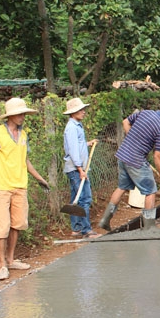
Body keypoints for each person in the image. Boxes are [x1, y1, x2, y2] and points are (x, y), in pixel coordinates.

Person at [0, 98, 50, 281]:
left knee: (17, 224)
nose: (23, 117)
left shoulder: (23, 135)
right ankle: (2, 265)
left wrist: (39, 178)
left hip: (20, 185)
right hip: (1, 186)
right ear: (10, 116)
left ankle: (11, 259)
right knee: (2, 226)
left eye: (24, 113)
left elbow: (25, 160)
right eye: (20, 113)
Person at [98, 100, 160, 231]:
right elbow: (158, 156)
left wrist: (133, 140)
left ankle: (104, 220)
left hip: (123, 155)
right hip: (136, 160)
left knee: (122, 187)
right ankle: (149, 227)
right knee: (151, 191)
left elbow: (125, 122)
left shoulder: (145, 113)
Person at [62, 97, 101, 239]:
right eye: (80, 110)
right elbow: (72, 150)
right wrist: (80, 170)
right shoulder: (71, 128)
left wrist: (87, 143)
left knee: (76, 199)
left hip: (77, 168)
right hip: (76, 169)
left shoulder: (77, 126)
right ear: (73, 112)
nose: (83, 112)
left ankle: (76, 228)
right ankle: (86, 230)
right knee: (85, 198)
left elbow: (77, 144)